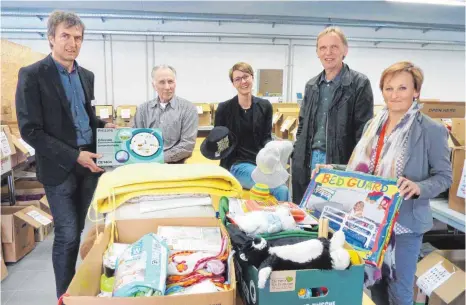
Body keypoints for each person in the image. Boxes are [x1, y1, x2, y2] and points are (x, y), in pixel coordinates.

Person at [313, 61, 452, 305]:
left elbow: (444, 177)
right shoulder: (373, 126)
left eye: (402, 88)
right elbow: (366, 173)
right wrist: (333, 169)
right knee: (375, 286)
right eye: (389, 88)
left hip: (405, 224)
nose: (395, 95)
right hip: (371, 222)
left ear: (416, 91)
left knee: (400, 292)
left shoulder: (431, 130)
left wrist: (419, 187)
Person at [15, 10, 117, 298]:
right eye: (66, 36)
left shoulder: (87, 76)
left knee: (80, 229)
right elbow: (30, 130)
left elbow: (82, 120)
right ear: (51, 38)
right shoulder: (33, 75)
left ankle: (77, 292)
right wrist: (74, 156)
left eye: (78, 38)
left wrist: (105, 127)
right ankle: (65, 297)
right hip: (59, 166)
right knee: (68, 235)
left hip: (88, 165)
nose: (72, 43)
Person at [291, 26, 374, 205]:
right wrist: (297, 153)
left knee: (334, 212)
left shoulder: (359, 84)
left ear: (345, 50)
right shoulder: (311, 85)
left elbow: (363, 131)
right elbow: (303, 124)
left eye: (334, 47)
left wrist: (354, 167)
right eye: (323, 48)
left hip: (338, 159)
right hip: (308, 157)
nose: (328, 53)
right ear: (317, 53)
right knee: (306, 211)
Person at [214, 62, 288, 201]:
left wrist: (274, 146)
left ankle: (283, 218)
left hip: (261, 162)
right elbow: (220, 144)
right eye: (237, 79)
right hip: (237, 164)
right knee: (278, 187)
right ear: (233, 83)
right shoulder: (224, 109)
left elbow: (266, 138)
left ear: (252, 78)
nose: (243, 81)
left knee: (283, 186)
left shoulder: (265, 106)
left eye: (246, 77)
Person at [133, 65, 198, 163]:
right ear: (154, 85)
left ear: (175, 83)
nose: (167, 87)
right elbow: (135, 139)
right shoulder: (142, 110)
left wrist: (158, 159)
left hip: (176, 167)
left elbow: (187, 145)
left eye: (170, 81)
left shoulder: (188, 109)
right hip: (147, 166)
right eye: (162, 82)